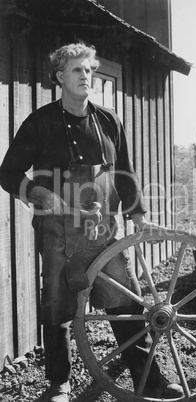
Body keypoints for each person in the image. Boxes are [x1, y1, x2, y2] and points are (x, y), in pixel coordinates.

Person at [0, 43, 183, 402]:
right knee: (56, 307)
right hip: (57, 235)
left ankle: (148, 380)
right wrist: (41, 195)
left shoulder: (109, 121)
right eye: (76, 71)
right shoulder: (39, 123)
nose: (86, 76)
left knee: (126, 305)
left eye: (89, 70)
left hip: (103, 231)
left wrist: (138, 216)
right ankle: (59, 385)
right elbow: (7, 173)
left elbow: (126, 174)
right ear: (59, 78)